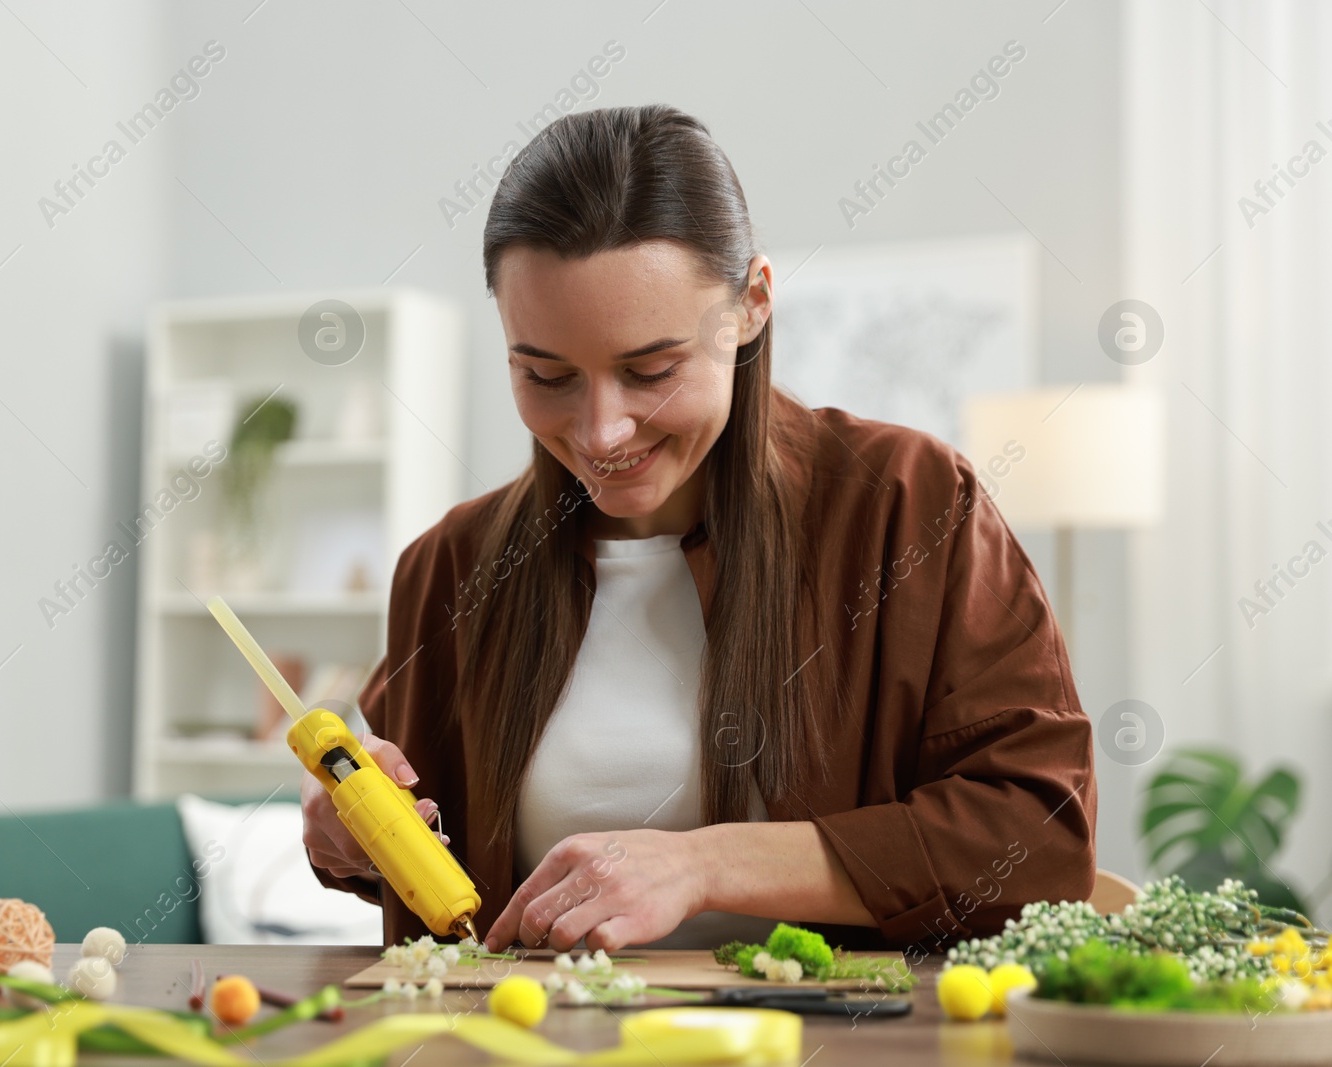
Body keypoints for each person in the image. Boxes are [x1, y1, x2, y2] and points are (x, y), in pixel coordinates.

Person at [305, 104, 1095, 955]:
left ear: (752, 304)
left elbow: (1037, 837)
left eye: (652, 369)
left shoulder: (910, 505)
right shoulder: (451, 567)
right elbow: (427, 868)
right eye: (545, 374)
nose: (602, 432)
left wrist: (703, 865)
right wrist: (347, 837)